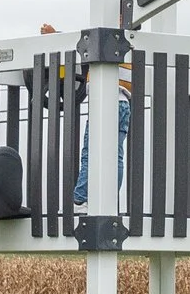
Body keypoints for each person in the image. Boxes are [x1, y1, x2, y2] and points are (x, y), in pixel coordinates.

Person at [39, 22, 130, 208]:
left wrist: (55, 35)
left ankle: (80, 199)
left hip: (105, 101)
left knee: (90, 152)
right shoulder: (130, 43)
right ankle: (110, 200)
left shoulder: (109, 39)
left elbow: (79, 44)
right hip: (123, 103)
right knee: (115, 155)